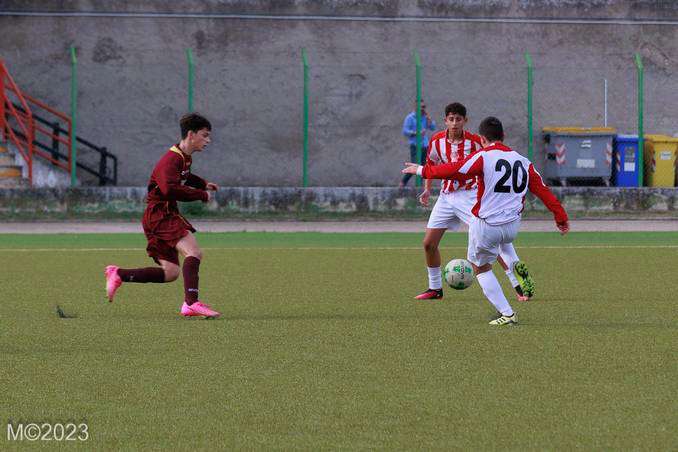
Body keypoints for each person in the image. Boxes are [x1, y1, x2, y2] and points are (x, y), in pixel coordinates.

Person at [402, 116, 569, 326]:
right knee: (502, 248)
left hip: (487, 224)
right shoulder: (523, 161)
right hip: (512, 226)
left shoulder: (483, 156)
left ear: (482, 139)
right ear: (503, 136)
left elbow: (455, 170)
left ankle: (508, 313)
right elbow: (543, 191)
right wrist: (560, 217)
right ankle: (515, 274)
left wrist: (421, 170)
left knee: (480, 268)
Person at [104, 113, 221, 318]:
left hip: (158, 215)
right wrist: (201, 195)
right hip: (161, 215)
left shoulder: (183, 157)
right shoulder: (172, 159)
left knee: (171, 273)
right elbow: (169, 189)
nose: (208, 140)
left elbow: (184, 175)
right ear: (191, 134)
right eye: (205, 135)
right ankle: (191, 303)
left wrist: (203, 184)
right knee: (194, 252)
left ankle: (119, 274)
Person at [414, 103, 532, 302]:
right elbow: (431, 164)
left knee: (491, 242)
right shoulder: (436, 141)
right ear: (445, 121)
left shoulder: (476, 141)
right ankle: (435, 288)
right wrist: (427, 189)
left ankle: (519, 284)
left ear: (465, 121)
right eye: (451, 119)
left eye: (458, 119)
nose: (454, 123)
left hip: (469, 195)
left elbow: (493, 158)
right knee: (428, 244)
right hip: (446, 196)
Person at [400, 100, 436, 187]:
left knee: (423, 167)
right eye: (421, 107)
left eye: (424, 107)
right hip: (415, 145)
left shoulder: (425, 117)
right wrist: (416, 133)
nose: (423, 109)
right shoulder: (410, 118)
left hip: (424, 145)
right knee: (415, 164)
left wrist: (429, 120)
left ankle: (419, 186)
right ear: (416, 107)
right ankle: (402, 183)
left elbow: (433, 127)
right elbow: (405, 131)